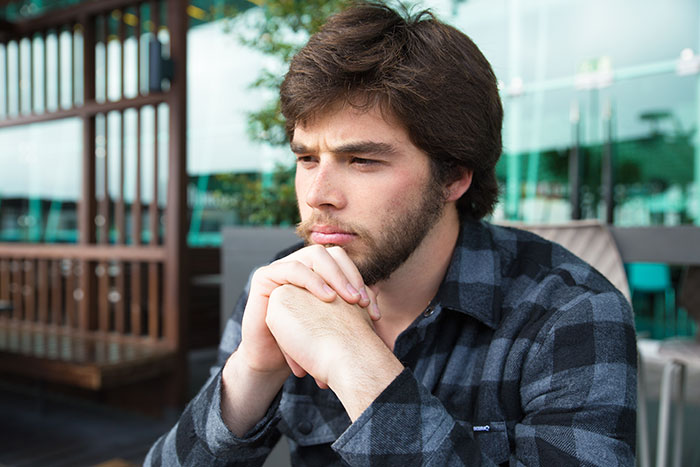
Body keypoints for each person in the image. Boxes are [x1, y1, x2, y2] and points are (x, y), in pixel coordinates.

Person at [146, 2, 636, 465]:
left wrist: (357, 364)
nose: (318, 194)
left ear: (454, 177)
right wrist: (252, 371)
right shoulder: (286, 287)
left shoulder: (571, 313)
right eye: (307, 158)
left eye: (362, 160)